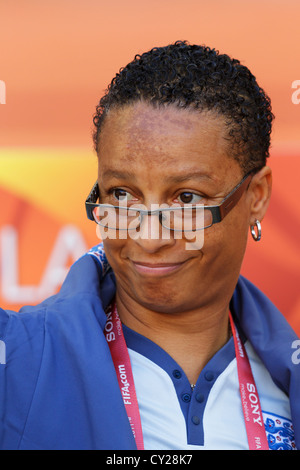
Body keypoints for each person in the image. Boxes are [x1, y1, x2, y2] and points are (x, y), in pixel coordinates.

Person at [0, 41, 299, 451]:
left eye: (187, 199)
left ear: (257, 196)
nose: (148, 236)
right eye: (122, 195)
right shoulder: (13, 366)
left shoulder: (287, 388)